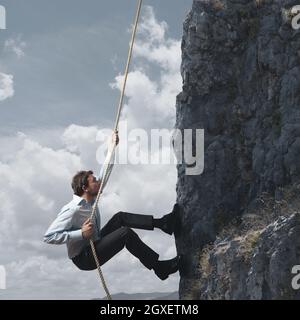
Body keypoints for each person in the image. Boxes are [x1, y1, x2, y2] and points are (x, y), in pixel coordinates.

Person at [43, 130, 182, 280]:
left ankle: (164, 224)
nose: (98, 181)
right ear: (85, 188)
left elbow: (106, 172)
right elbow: (49, 236)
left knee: (120, 218)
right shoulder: (72, 209)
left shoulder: (91, 200)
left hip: (95, 242)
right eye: (94, 181)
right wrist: (81, 234)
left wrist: (111, 148)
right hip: (85, 258)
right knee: (125, 233)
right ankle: (159, 267)